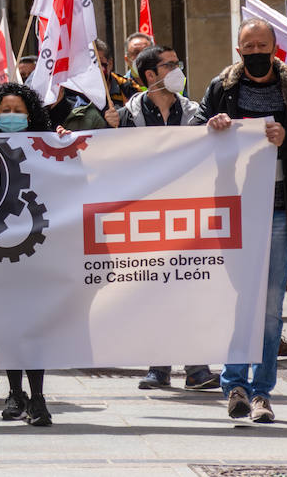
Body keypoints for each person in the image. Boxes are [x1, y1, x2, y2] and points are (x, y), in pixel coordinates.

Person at [202, 18, 287, 424]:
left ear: (275, 49)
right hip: (233, 213)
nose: (254, 52)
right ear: (238, 50)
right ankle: (233, 383)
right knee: (237, 301)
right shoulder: (221, 90)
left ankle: (261, 391)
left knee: (270, 308)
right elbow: (193, 141)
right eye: (247, 46)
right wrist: (211, 128)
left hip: (277, 212)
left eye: (261, 45)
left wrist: (286, 140)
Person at [116, 46, 219, 391]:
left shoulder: (195, 113)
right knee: (154, 291)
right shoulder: (128, 117)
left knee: (189, 288)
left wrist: (221, 128)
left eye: (178, 63)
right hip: (145, 216)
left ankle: (196, 366)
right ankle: (158, 366)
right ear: (150, 76)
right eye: (170, 65)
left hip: (187, 214)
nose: (178, 69)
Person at [0, 82, 57, 426]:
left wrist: (65, 143)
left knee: (34, 326)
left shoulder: (48, 146)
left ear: (32, 114)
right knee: (6, 324)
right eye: (5, 111)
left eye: (18, 111)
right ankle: (15, 393)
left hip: (38, 251)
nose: (11, 117)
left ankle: (38, 397)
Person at [95, 39, 140, 109]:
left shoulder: (128, 88)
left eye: (97, 62)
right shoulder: (76, 92)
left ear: (110, 64)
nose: (92, 68)